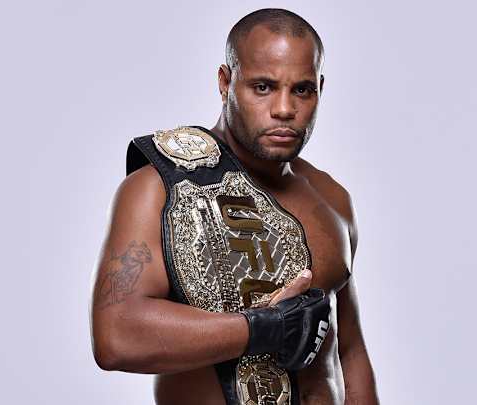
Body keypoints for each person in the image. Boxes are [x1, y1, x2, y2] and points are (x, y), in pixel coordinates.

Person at [90, 8, 379, 405]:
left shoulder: (332, 200)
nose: (284, 109)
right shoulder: (159, 188)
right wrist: (263, 329)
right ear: (226, 82)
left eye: (302, 90)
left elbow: (349, 351)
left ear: (320, 89)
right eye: (263, 87)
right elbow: (115, 335)